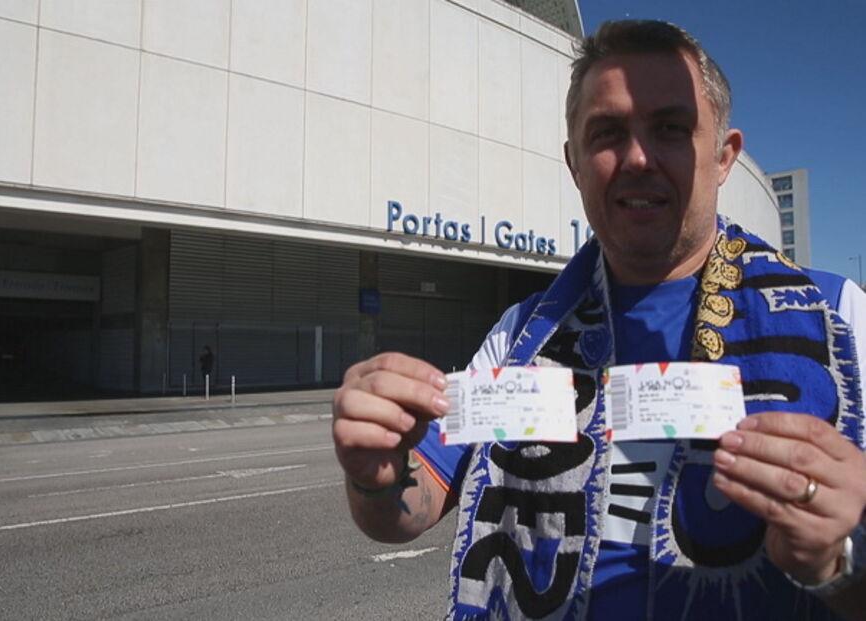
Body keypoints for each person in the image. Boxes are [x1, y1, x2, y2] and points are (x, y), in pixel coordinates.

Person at [332, 20, 866, 620]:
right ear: (575, 163)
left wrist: (840, 561)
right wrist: (375, 476)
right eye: (609, 133)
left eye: (670, 128)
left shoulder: (839, 321)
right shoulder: (521, 333)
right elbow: (414, 504)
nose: (638, 158)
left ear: (723, 157)